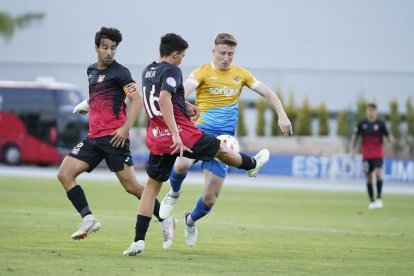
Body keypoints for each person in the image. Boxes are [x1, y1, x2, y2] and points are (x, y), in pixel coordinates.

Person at [122, 33, 270, 256]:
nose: (182, 59)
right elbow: (163, 99)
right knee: (221, 149)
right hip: (182, 133)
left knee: (151, 188)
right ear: (174, 54)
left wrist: (185, 106)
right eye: (181, 55)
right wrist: (176, 133)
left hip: (156, 136)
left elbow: (164, 98)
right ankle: (252, 165)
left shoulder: (148, 70)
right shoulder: (172, 70)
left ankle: (138, 241)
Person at [158, 33, 292, 247]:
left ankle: (190, 220)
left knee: (210, 199)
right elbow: (182, 92)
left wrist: (282, 115)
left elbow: (268, 92)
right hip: (200, 132)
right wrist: (183, 105)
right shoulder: (202, 71)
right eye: (222, 53)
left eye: (230, 54)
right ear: (214, 52)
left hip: (224, 140)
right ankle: (173, 193)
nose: (226, 58)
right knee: (182, 162)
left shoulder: (241, 74)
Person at [57, 27, 176, 250]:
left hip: (114, 139)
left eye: (113, 48)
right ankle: (88, 219)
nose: (110, 52)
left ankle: (166, 217)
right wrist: (87, 105)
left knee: (132, 187)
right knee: (64, 174)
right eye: (105, 47)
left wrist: (124, 129)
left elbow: (137, 100)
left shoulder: (121, 73)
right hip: (93, 138)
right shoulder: (91, 70)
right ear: (97, 48)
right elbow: (98, 95)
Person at [350, 102, 395, 210]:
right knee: (368, 177)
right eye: (369, 110)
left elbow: (388, 135)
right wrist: (352, 150)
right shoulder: (362, 124)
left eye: (373, 110)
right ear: (367, 111)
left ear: (376, 111)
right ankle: (371, 200)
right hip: (366, 155)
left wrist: (391, 139)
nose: (371, 112)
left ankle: (379, 198)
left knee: (378, 173)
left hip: (378, 154)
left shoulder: (380, 124)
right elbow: (355, 137)